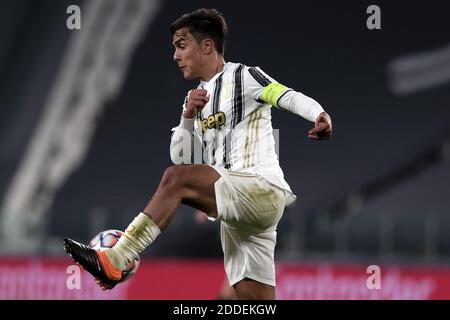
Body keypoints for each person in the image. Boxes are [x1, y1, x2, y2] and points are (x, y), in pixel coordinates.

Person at [63, 8, 332, 300]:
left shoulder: (244, 76)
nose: (175, 56)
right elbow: (180, 157)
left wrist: (318, 113)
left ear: (207, 46)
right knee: (253, 302)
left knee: (175, 180)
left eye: (181, 46)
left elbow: (286, 95)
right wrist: (188, 116)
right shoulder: (194, 99)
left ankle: (117, 259)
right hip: (239, 216)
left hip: (260, 187)